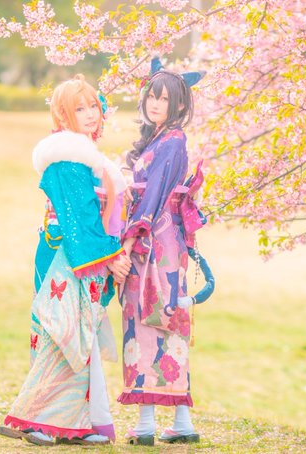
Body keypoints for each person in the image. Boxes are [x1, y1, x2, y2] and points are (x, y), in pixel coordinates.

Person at [0, 74, 131, 446]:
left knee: (74, 333)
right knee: (63, 333)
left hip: (67, 250)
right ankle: (38, 419)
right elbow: (80, 217)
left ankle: (74, 422)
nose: (90, 114)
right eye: (79, 108)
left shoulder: (79, 155)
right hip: (66, 254)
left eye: (93, 106)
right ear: (62, 115)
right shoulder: (67, 158)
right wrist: (111, 255)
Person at [118, 58, 205, 446]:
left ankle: (146, 423)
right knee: (169, 322)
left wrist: (130, 239)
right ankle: (181, 421)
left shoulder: (171, 142)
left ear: (179, 104)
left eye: (165, 99)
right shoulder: (163, 139)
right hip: (165, 240)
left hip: (154, 241)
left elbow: (152, 197)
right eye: (152, 96)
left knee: (148, 321)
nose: (155, 103)